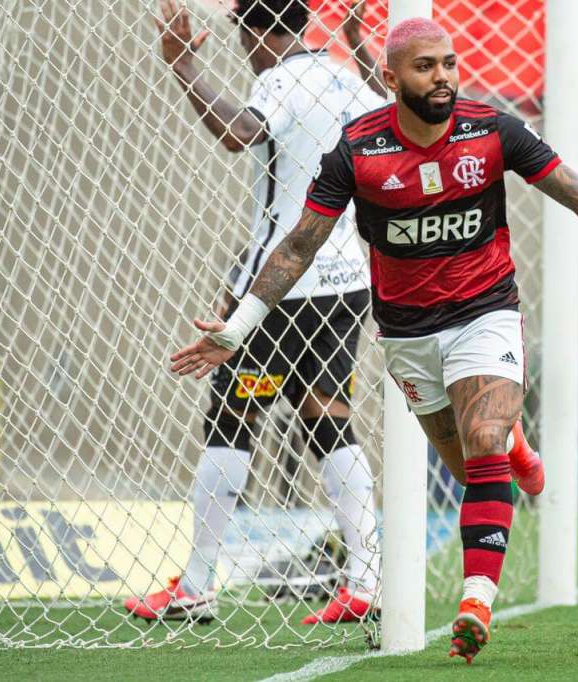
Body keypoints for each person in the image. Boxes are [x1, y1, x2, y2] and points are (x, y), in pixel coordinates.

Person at [168, 17, 578, 662]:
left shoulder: (493, 130)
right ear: (391, 79)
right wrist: (238, 327)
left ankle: (476, 601)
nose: (443, 76)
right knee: (470, 469)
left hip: (484, 313)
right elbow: (300, 245)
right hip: (407, 333)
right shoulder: (356, 151)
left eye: (448, 63)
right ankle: (514, 444)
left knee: (483, 440)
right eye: (425, 67)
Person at [125, 0, 387, 625]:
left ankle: (197, 584)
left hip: (285, 287)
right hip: (347, 279)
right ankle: (366, 580)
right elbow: (386, 112)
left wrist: (184, 66)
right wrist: (358, 43)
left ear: (251, 30)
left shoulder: (280, 79)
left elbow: (239, 132)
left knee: (231, 419)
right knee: (328, 422)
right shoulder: (344, 78)